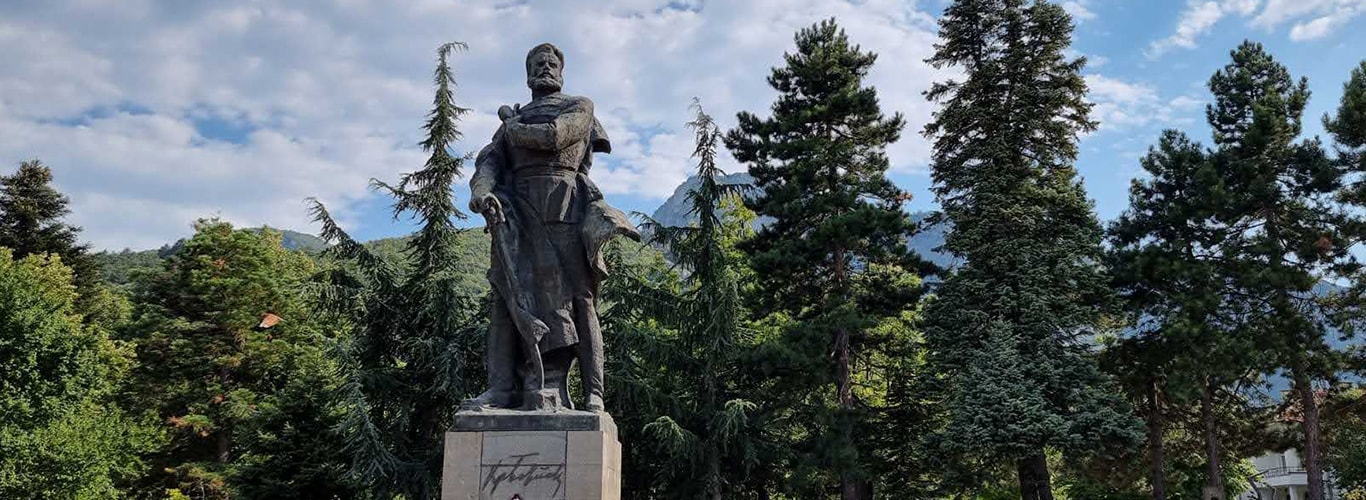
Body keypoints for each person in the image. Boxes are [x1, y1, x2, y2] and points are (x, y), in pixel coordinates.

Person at [464, 43, 637, 412]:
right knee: (506, 299)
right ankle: (500, 388)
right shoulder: (510, 125)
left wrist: (512, 126)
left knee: (580, 301)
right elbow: (489, 165)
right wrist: (481, 193)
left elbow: (554, 136)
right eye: (537, 64)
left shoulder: (579, 106)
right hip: (515, 214)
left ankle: (593, 392)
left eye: (551, 63)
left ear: (561, 71)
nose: (544, 68)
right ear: (528, 74)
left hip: (566, 210)